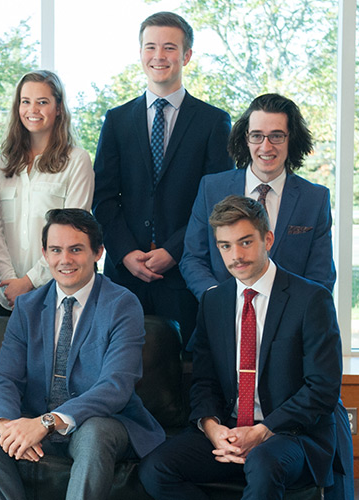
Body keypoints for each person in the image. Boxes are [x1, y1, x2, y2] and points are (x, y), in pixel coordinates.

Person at [138, 195, 349, 499]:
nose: (236, 255)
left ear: (268, 239)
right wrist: (212, 428)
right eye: (225, 246)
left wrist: (262, 432)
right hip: (231, 430)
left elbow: (322, 389)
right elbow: (205, 381)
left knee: (263, 463)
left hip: (290, 434)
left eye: (246, 242)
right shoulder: (214, 301)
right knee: (155, 469)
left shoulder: (311, 300)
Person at [0, 209, 165, 500]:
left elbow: (116, 386)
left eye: (76, 249)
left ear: (98, 252)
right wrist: (8, 427)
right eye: (56, 250)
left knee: (94, 433)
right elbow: (5, 377)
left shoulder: (122, 304)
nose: (65, 260)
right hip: (35, 419)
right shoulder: (27, 307)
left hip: (100, 421)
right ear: (44, 254)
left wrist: (47, 422)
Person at [93, 11, 233, 345]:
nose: (159, 56)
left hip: (184, 274)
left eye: (169, 48)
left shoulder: (214, 122)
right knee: (116, 369)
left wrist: (174, 250)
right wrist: (126, 253)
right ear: (140, 53)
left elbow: (217, 203)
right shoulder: (117, 120)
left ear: (186, 56)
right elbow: (104, 197)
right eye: (150, 47)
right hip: (124, 276)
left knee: (185, 374)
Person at [180, 93, 336, 300]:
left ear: (292, 139)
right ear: (246, 139)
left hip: (290, 323)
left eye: (277, 136)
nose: (266, 146)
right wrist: (217, 300)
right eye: (257, 136)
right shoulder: (212, 188)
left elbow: (321, 275)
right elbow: (192, 258)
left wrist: (296, 314)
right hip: (224, 318)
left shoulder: (315, 199)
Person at [0, 70, 94, 316]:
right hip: (8, 296)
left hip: (57, 293)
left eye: (42, 102)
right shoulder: (3, 163)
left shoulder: (77, 161)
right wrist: (11, 282)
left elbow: (72, 234)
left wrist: (29, 282)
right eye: (25, 102)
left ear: (58, 108)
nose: (32, 109)